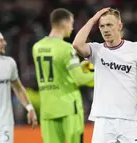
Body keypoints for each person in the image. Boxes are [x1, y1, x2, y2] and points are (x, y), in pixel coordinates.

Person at [72, 8, 137, 143]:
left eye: (109, 25)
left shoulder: (135, 49)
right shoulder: (97, 50)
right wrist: (93, 19)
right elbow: (76, 44)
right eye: (102, 26)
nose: (105, 29)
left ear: (120, 26)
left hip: (130, 119)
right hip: (103, 119)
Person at [32, 8, 94, 143]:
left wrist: (79, 67)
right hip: (69, 107)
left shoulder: (37, 47)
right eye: (71, 23)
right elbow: (79, 79)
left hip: (48, 108)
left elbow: (56, 70)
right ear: (64, 23)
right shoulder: (66, 48)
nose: (72, 28)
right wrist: (101, 74)